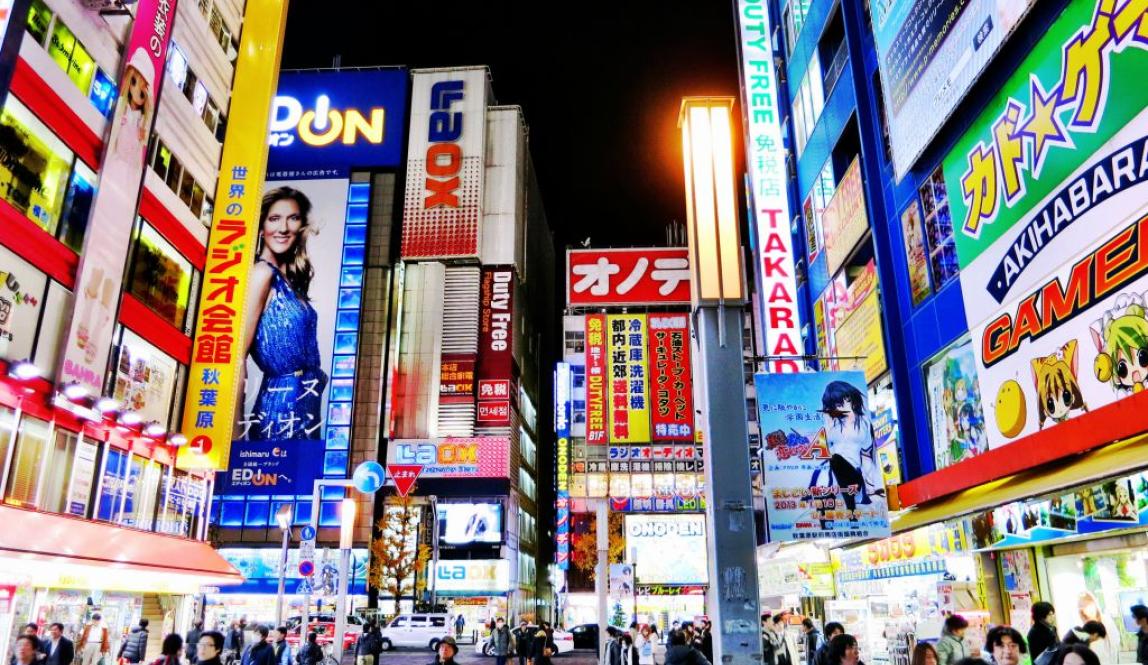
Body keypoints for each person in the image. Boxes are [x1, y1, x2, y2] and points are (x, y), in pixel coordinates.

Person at [242, 187, 328, 442]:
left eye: (293, 218)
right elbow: (237, 359)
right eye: (274, 218)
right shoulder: (261, 274)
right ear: (261, 227)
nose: (283, 228)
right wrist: (235, 443)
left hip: (305, 402)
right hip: (280, 406)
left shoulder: (290, 282)